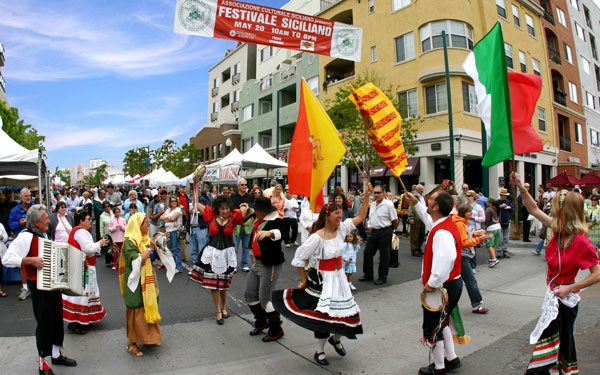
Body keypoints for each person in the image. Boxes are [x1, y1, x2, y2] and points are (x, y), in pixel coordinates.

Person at [272, 183, 372, 366]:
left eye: (341, 213)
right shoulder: (317, 237)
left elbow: (361, 216)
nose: (340, 216)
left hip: (340, 277)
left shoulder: (342, 228)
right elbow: (299, 258)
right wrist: (303, 280)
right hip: (323, 279)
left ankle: (336, 339)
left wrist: (366, 197)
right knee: (324, 317)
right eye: (337, 213)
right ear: (327, 216)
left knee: (344, 313)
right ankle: (319, 351)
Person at [512, 171, 600, 374]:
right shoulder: (558, 229)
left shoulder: (582, 242)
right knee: (559, 345)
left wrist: (572, 287)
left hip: (566, 302)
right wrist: (520, 186)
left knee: (558, 344)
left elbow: (597, 273)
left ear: (566, 211)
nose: (552, 212)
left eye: (555, 209)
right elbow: (533, 209)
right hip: (552, 297)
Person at [3, 204, 78, 374]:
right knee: (44, 323)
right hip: (38, 287)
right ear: (36, 222)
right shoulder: (25, 237)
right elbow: (7, 258)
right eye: (45, 219)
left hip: (52, 286)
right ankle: (42, 363)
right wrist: (29, 260)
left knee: (57, 320)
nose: (49, 222)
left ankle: (57, 354)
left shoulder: (43, 234)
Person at [404, 190, 463, 375]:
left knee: (432, 327)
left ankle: (438, 367)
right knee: (442, 323)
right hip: (450, 284)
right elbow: (428, 219)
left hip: (441, 287)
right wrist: (416, 202)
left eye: (431, 199)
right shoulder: (442, 223)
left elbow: (446, 259)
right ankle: (452, 358)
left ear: (436, 207)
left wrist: (432, 283)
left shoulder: (442, 232)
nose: (428, 200)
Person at [190, 195, 250, 324]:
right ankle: (218, 310)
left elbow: (247, 211)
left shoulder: (234, 216)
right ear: (218, 209)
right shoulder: (210, 215)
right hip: (212, 253)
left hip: (228, 254)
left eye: (227, 208)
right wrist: (196, 186)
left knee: (224, 284)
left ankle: (224, 307)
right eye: (222, 209)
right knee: (214, 284)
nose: (225, 211)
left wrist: (245, 206)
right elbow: (195, 202)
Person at [119, 212, 162, 357]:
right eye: (145, 222)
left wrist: (157, 246)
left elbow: (152, 257)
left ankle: (150, 338)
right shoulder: (130, 242)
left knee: (148, 305)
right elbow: (136, 260)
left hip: (146, 278)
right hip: (134, 280)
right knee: (135, 308)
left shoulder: (144, 238)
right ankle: (131, 343)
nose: (148, 224)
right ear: (138, 225)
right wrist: (150, 248)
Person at [244, 196, 286, 342]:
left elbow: (282, 232)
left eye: (256, 209)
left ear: (262, 211)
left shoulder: (275, 221)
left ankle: (276, 329)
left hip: (271, 264)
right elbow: (245, 213)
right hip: (257, 263)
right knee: (249, 294)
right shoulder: (258, 219)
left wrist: (269, 233)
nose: (254, 210)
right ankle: (262, 321)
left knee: (265, 299)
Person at [62, 210, 108, 335]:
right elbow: (88, 249)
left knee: (82, 293)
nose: (91, 222)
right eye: (88, 219)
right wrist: (100, 243)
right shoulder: (81, 232)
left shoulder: (75, 230)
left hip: (80, 266)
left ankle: (82, 319)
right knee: (83, 294)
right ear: (81, 221)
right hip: (84, 268)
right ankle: (77, 322)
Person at [453, 204, 492, 314]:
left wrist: (476, 235)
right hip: (463, 255)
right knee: (470, 281)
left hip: (464, 255)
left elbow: (465, 238)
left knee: (459, 282)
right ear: (463, 213)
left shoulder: (463, 223)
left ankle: (449, 303)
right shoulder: (461, 224)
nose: (471, 213)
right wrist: (480, 238)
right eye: (469, 211)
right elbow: (464, 242)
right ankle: (476, 304)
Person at [359, 185, 398, 285]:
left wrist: (391, 230)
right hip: (374, 232)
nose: (376, 194)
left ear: (384, 193)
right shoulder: (372, 204)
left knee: (384, 256)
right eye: (375, 192)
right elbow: (371, 217)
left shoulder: (388, 205)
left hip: (385, 231)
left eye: (378, 192)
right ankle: (368, 275)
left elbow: (395, 220)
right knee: (367, 253)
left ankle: (382, 277)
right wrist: (370, 225)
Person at [9, 187, 33, 301]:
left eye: (29, 195)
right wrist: (19, 223)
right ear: (21, 197)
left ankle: (36, 287)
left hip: (34, 238)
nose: (28, 197)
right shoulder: (15, 210)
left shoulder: (35, 207)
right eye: (26, 196)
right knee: (23, 264)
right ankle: (25, 288)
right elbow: (11, 225)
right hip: (21, 241)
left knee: (36, 262)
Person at [231, 178, 254, 272]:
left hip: (247, 225)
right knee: (234, 247)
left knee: (245, 247)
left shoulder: (249, 197)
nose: (244, 186)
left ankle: (244, 264)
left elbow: (253, 207)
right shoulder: (233, 197)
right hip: (236, 225)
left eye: (245, 184)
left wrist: (248, 208)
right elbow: (230, 208)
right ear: (238, 186)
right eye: (242, 185)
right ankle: (233, 265)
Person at [160, 196, 183, 273]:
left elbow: (173, 218)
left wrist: (166, 219)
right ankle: (173, 265)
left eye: (175, 201)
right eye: (172, 201)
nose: (173, 202)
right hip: (167, 231)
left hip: (174, 231)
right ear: (169, 202)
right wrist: (168, 218)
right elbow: (161, 217)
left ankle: (179, 267)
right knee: (170, 249)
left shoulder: (178, 209)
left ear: (177, 202)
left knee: (176, 249)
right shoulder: (168, 210)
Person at [188, 186, 210, 265]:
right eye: (193, 191)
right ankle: (195, 264)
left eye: (196, 190)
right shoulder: (190, 200)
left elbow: (208, 212)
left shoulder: (203, 200)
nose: (194, 192)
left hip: (200, 227)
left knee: (202, 248)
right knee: (193, 249)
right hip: (192, 227)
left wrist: (196, 212)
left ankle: (202, 264)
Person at [408, 184, 426, 257]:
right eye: (421, 189)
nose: (423, 190)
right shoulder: (414, 196)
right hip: (416, 218)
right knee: (415, 235)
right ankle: (414, 250)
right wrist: (411, 217)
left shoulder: (422, 197)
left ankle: (419, 248)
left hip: (422, 218)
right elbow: (411, 207)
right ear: (418, 189)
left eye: (423, 189)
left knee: (421, 235)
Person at [483, 199, 501, 268]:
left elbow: (486, 220)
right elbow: (500, 218)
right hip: (498, 227)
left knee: (489, 245)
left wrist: (484, 228)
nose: (486, 202)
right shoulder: (497, 208)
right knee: (493, 245)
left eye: (487, 201)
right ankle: (491, 259)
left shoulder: (488, 209)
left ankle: (494, 259)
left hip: (491, 228)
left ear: (490, 203)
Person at [497, 188, 513, 259]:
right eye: (503, 195)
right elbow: (494, 209)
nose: (504, 197)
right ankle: (499, 251)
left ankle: (505, 251)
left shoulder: (508, 202)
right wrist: (500, 207)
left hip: (506, 221)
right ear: (500, 195)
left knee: (506, 237)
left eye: (505, 195)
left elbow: (512, 210)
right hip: (499, 222)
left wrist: (508, 207)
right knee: (500, 238)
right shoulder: (497, 202)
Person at [99, 201, 114, 268]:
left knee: (114, 248)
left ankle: (113, 261)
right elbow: (101, 226)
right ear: (103, 208)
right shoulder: (102, 216)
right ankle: (108, 262)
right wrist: (101, 235)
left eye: (108, 206)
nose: (107, 207)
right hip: (107, 234)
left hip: (114, 233)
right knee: (108, 248)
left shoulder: (113, 213)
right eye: (105, 207)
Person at [0, 222, 8, 297]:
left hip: (1, 250)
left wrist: (2, 237)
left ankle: (0, 289)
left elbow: (6, 237)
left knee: (0, 271)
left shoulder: (1, 225)